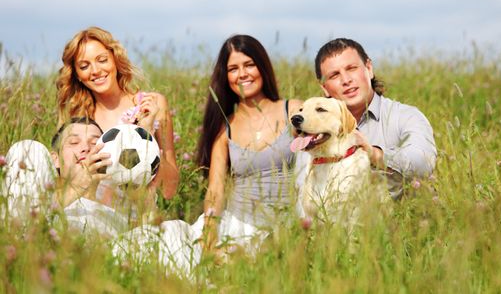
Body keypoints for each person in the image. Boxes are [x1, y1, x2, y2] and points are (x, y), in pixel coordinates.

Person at [112, 34, 303, 276]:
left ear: (262, 66)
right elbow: (215, 191)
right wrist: (210, 238)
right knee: (159, 243)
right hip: (233, 224)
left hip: (277, 227)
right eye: (233, 69)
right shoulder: (226, 127)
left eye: (249, 65)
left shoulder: (293, 110)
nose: (242, 74)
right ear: (227, 77)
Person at [56, 26, 179, 210]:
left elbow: (170, 189)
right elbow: (70, 184)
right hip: (98, 214)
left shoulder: (152, 105)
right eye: (84, 66)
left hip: (141, 214)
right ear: (77, 75)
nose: (96, 70)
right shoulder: (80, 120)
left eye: (102, 60)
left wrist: (147, 136)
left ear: (115, 59)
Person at [313, 38, 437, 199]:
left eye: (351, 68)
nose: (346, 80)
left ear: (369, 68)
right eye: (335, 75)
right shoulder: (314, 130)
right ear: (324, 88)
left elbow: (423, 163)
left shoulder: (406, 116)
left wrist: (374, 154)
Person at [2, 118, 128, 237]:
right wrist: (77, 187)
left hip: (100, 252)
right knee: (27, 148)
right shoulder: (41, 199)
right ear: (55, 159)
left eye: (94, 143)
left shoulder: (115, 209)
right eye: (74, 142)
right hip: (34, 243)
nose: (86, 148)